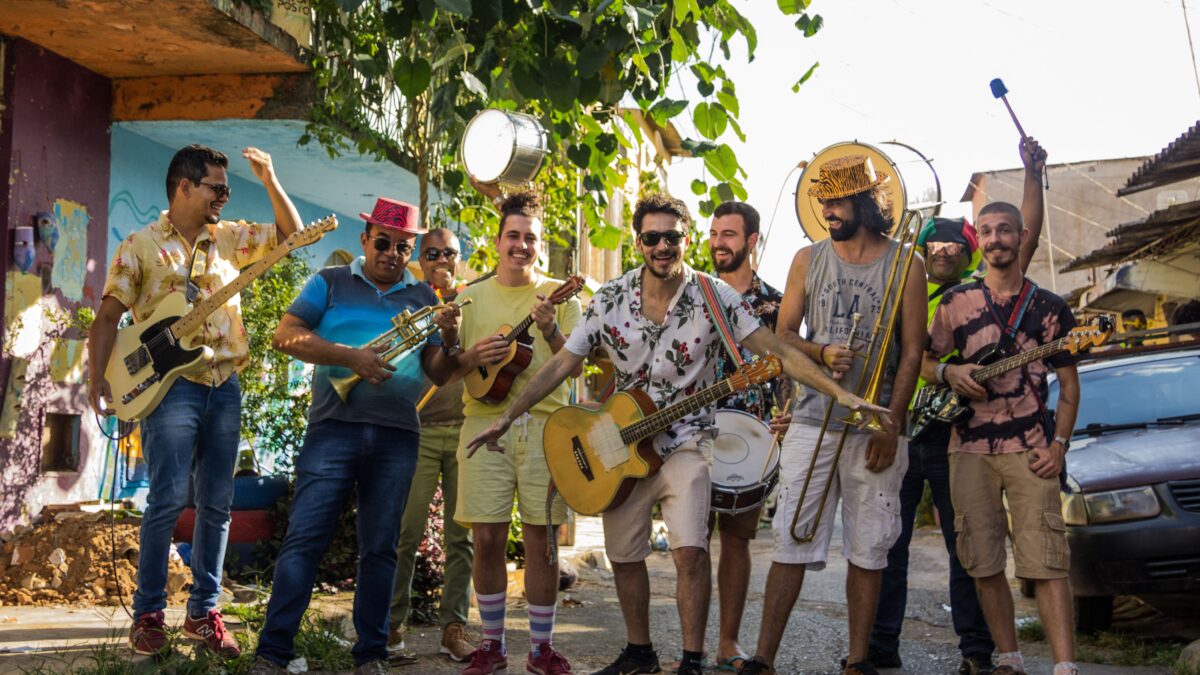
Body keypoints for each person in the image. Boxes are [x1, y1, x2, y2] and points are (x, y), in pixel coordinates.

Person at [465, 194, 891, 675]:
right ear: (639, 241)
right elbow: (564, 363)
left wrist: (845, 396)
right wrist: (506, 416)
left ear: (686, 239)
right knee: (624, 555)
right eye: (652, 237)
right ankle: (640, 652)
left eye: (672, 236)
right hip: (616, 443)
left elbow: (779, 351)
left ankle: (692, 658)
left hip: (687, 440)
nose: (662, 246)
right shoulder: (610, 299)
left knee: (690, 551)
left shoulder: (716, 297)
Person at [87, 145, 301, 657]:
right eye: (217, 188)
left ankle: (204, 614)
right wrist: (98, 380)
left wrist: (270, 179)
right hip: (170, 389)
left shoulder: (227, 239)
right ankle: (149, 615)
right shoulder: (140, 246)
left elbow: (291, 236)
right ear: (184, 186)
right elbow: (107, 316)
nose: (225, 198)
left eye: (227, 190)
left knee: (218, 504)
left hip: (225, 384)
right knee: (164, 500)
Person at [248, 198, 462, 675]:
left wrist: (449, 338)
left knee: (381, 547)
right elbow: (284, 335)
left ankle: (370, 655)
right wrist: (351, 357)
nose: (391, 253)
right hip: (332, 429)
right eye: (382, 242)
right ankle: (273, 652)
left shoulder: (425, 299)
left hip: (397, 436)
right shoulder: (330, 282)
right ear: (363, 240)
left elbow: (440, 374)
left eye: (402, 247)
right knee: (304, 540)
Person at [739, 154, 927, 675]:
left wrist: (892, 423)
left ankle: (859, 661)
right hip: (811, 417)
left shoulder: (908, 263)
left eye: (838, 201)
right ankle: (763, 659)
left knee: (869, 548)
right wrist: (820, 354)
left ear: (866, 203)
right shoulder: (807, 259)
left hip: (876, 425)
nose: (828, 211)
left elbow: (912, 352)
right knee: (790, 540)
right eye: (823, 202)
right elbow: (782, 337)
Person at [869, 137, 1048, 674]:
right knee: (888, 545)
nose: (943, 252)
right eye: (935, 247)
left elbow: (1029, 237)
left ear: (969, 254)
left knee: (967, 548)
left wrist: (1032, 175)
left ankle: (977, 651)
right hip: (903, 434)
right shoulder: (902, 291)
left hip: (958, 438)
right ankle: (880, 646)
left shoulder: (978, 292)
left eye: (953, 247)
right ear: (923, 252)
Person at [924, 200, 1082, 675]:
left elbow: (1070, 388)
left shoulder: (1050, 308)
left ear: (1020, 235)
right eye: (987, 231)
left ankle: (1065, 666)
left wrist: (1060, 446)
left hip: (1033, 449)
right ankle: (1009, 659)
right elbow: (927, 364)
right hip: (968, 449)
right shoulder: (954, 303)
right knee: (982, 560)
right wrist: (952, 373)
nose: (995, 239)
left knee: (1047, 563)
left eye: (1005, 231)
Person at [443, 181, 583, 675]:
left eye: (531, 238)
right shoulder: (470, 296)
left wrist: (549, 329)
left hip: (547, 429)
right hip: (484, 426)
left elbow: (577, 364)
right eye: (514, 236)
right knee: (486, 540)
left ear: (540, 246)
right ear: (498, 240)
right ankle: (493, 645)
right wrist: (470, 356)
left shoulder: (558, 296)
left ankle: (541, 649)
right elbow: (448, 368)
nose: (522, 245)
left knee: (543, 541)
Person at [706, 201, 791, 672]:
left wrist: (787, 413)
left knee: (736, 541)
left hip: (752, 440)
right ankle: (692, 645)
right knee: (691, 542)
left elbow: (789, 373)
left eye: (730, 235)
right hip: (693, 433)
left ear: (752, 241)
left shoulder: (775, 306)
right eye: (715, 233)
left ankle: (727, 642)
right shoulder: (693, 295)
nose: (719, 242)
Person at [387, 227, 476, 664]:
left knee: (462, 537)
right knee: (406, 531)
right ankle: (391, 626)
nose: (441, 259)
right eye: (432, 252)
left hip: (464, 430)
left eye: (450, 252)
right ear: (419, 258)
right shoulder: (409, 301)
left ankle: (453, 628)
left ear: (461, 257)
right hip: (416, 429)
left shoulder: (471, 301)